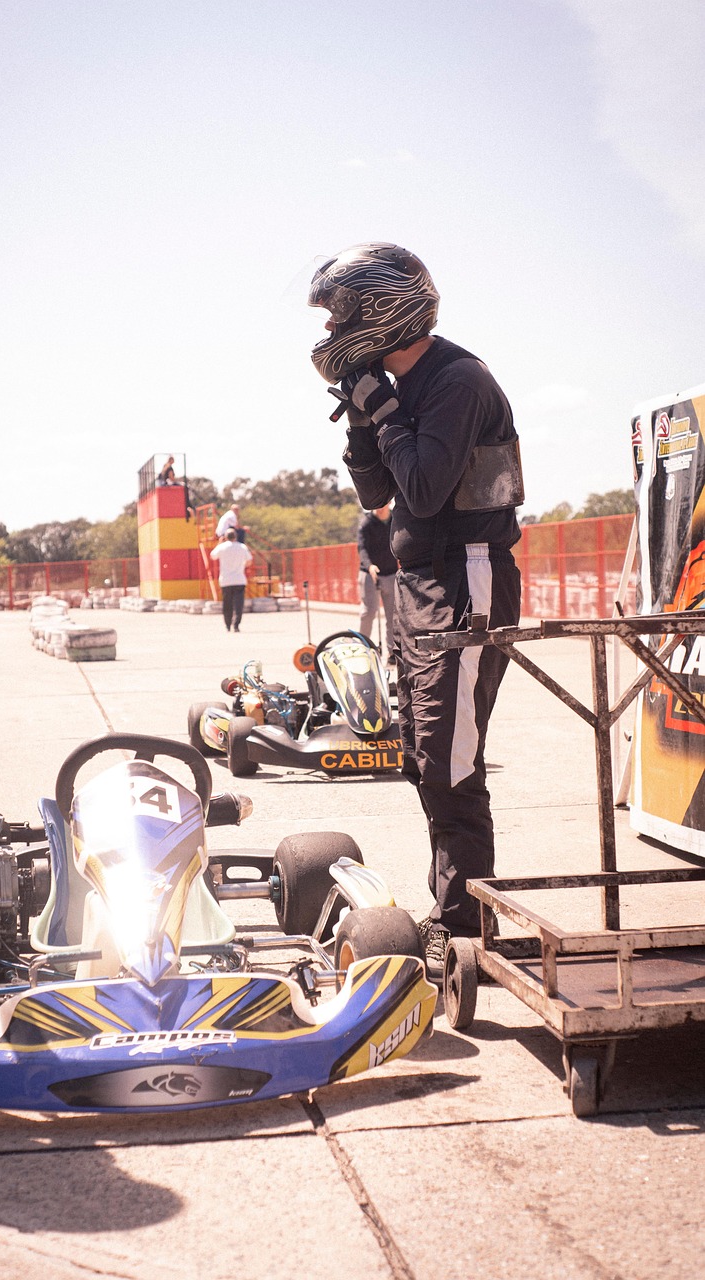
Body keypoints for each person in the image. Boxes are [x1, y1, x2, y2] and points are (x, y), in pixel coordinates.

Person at [308, 242, 523, 981]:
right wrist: (363, 423)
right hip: (420, 582)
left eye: (339, 312)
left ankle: (464, 926)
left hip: (467, 580)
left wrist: (387, 413)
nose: (330, 327)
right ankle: (455, 909)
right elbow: (381, 497)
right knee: (423, 758)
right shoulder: (403, 384)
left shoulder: (457, 379)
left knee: (451, 763)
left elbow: (427, 492)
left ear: (381, 310)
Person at [357, 504, 397, 663]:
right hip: (370, 574)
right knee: (369, 612)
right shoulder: (366, 524)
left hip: (391, 573)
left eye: (383, 504)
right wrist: (370, 566)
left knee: (393, 615)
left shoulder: (396, 518)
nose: (380, 508)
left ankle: (393, 652)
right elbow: (362, 549)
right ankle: (363, 649)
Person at [210, 529, 253, 632]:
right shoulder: (242, 547)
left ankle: (228, 625)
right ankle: (236, 625)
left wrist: (219, 543)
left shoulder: (222, 547)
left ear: (225, 537)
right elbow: (249, 561)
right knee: (238, 604)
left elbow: (212, 556)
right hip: (239, 579)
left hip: (226, 581)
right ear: (235, 536)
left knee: (227, 604)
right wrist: (242, 566)